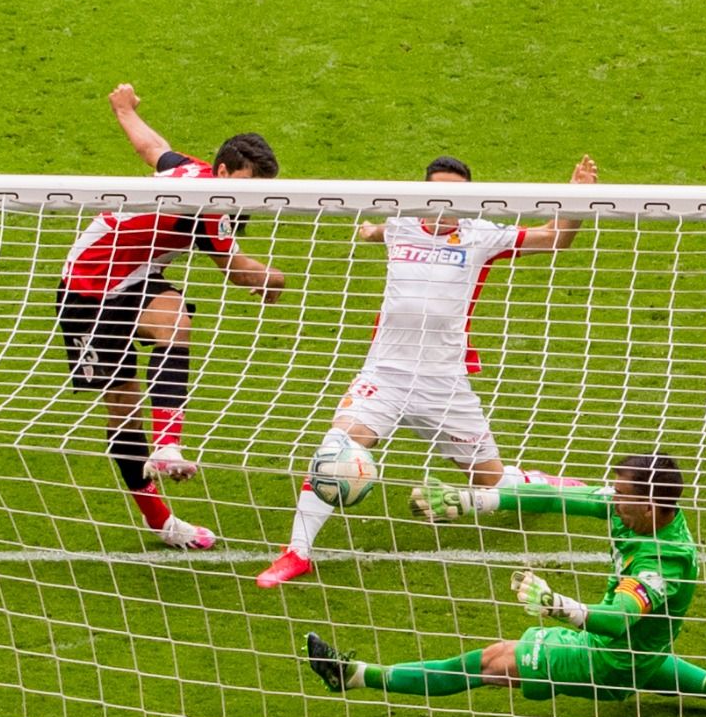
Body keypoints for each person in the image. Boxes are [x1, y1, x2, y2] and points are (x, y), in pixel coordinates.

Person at [254, 154, 598, 587]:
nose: (444, 204)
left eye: (455, 195)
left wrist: (577, 198)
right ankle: (296, 553)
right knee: (334, 450)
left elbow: (556, 239)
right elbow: (383, 232)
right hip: (386, 374)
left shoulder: (483, 235)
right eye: (436, 193)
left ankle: (543, 487)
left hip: (443, 383)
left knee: (489, 479)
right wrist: (370, 232)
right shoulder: (400, 223)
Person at [303, 455, 706, 717]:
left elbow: (616, 621)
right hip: (640, 653)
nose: (613, 500)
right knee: (648, 659)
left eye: (624, 496)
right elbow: (551, 496)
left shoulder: (663, 562)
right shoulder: (635, 513)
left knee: (490, 662)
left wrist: (558, 605)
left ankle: (355, 676)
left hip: (605, 658)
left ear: (654, 506)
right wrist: (474, 502)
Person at [56, 83, 285, 549]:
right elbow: (237, 273)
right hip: (84, 288)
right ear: (223, 171)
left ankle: (167, 445)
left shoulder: (191, 171)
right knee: (123, 412)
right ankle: (162, 521)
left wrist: (122, 108)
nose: (248, 201)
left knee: (175, 319)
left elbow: (153, 148)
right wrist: (273, 280)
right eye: (246, 187)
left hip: (135, 278)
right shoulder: (210, 204)